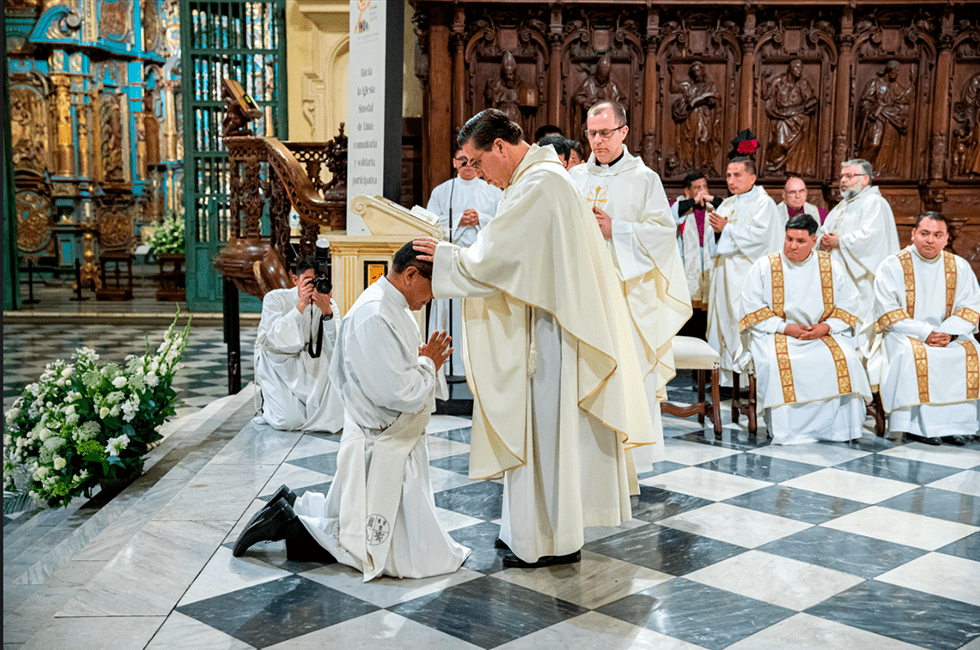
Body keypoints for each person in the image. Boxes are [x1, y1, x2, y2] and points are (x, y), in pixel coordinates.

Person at [413, 108, 656, 569]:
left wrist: (445, 258)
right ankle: (525, 529)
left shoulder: (540, 184)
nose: (479, 177)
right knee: (539, 435)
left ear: (500, 148)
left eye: (478, 163)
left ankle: (548, 538)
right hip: (543, 325)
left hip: (551, 336)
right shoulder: (533, 179)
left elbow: (495, 260)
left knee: (547, 435)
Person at [234, 243, 471, 581]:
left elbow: (389, 372)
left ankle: (291, 508)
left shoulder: (391, 305)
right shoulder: (376, 314)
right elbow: (395, 392)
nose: (432, 297)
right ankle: (288, 521)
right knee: (383, 548)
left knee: (352, 522)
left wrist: (416, 360)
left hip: (383, 435)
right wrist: (427, 364)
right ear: (410, 275)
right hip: (382, 439)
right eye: (431, 287)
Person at [569, 101, 691, 474]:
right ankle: (591, 461)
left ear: (623, 132)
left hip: (629, 297)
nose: (597, 141)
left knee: (629, 372)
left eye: (605, 133)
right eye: (591, 133)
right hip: (587, 294)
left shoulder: (645, 179)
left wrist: (616, 230)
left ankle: (631, 462)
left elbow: (663, 234)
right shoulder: (575, 179)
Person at [738, 214, 871, 444]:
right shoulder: (766, 266)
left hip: (821, 334)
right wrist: (784, 327)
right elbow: (750, 309)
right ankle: (788, 431)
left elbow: (850, 304)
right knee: (774, 361)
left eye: (800, 241)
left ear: (814, 240)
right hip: (777, 333)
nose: (792, 246)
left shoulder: (830, 266)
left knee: (848, 358)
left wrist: (826, 327)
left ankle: (839, 430)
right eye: (789, 239)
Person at [873, 213, 980, 445]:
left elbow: (971, 305)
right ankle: (916, 427)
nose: (930, 240)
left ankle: (957, 425)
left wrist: (950, 332)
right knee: (912, 354)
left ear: (946, 239)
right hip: (905, 334)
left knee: (971, 351)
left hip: (947, 334)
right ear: (913, 235)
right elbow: (888, 312)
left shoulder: (959, 266)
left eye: (937, 235)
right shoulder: (892, 266)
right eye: (924, 233)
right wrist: (925, 333)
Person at [706, 152, 784, 386]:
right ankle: (724, 380)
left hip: (747, 277)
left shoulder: (764, 203)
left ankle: (746, 381)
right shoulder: (727, 203)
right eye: (728, 175)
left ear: (752, 178)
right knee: (723, 323)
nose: (731, 180)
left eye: (737, 175)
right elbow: (713, 240)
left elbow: (761, 238)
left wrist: (726, 229)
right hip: (724, 276)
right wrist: (719, 231)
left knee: (742, 324)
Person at [425, 149, 502, 384]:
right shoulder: (442, 191)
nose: (467, 165)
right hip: (450, 262)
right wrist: (459, 219)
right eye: (462, 160)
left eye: (472, 161)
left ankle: (476, 366)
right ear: (453, 162)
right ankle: (447, 365)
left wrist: (481, 219)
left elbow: (503, 223)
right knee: (450, 316)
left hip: (480, 264)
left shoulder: (493, 191)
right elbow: (428, 224)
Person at [817, 159, 899, 357]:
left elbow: (872, 238)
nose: (843, 180)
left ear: (865, 179)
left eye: (849, 176)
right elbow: (825, 232)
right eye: (842, 176)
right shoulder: (842, 206)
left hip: (862, 279)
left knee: (860, 326)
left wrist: (840, 242)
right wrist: (823, 240)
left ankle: (862, 378)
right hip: (840, 278)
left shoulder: (875, 203)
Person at [253, 255, 343, 432]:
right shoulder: (275, 299)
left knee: (332, 416)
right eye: (309, 281)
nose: (314, 286)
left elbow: (338, 344)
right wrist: (301, 305)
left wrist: (327, 312)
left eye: (319, 281)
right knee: (289, 421)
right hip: (278, 365)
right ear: (295, 280)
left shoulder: (327, 303)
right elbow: (273, 338)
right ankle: (269, 405)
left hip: (314, 365)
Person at [672, 170, 722, 319]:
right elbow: (673, 214)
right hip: (686, 264)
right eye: (697, 188)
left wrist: (709, 198)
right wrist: (694, 201)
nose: (702, 192)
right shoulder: (680, 205)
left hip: (709, 262)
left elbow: (728, 208)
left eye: (705, 187)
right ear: (687, 191)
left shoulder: (713, 207)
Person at [762, 59, 818, 176]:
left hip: (797, 117)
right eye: (796, 67)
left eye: (800, 68)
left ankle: (792, 170)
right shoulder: (778, 81)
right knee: (780, 142)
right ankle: (773, 166)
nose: (799, 70)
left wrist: (808, 105)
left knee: (804, 127)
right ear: (790, 69)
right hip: (780, 116)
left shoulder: (803, 84)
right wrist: (762, 79)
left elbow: (811, 99)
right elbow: (765, 94)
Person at [856, 60, 911, 176]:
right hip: (877, 119)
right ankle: (861, 171)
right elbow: (865, 101)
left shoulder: (894, 85)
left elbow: (904, 97)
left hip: (891, 121)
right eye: (895, 72)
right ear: (889, 71)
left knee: (888, 146)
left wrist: (914, 84)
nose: (896, 75)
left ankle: (880, 171)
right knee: (874, 144)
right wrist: (871, 111)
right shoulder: (875, 83)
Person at [671, 61, 720, 175]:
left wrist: (701, 100)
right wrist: (672, 73)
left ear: (702, 71)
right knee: (689, 139)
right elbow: (673, 88)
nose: (696, 73)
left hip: (704, 114)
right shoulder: (690, 87)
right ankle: (689, 165)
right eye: (694, 71)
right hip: (691, 115)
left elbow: (713, 100)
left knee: (703, 139)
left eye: (698, 70)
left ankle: (703, 165)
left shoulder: (710, 85)